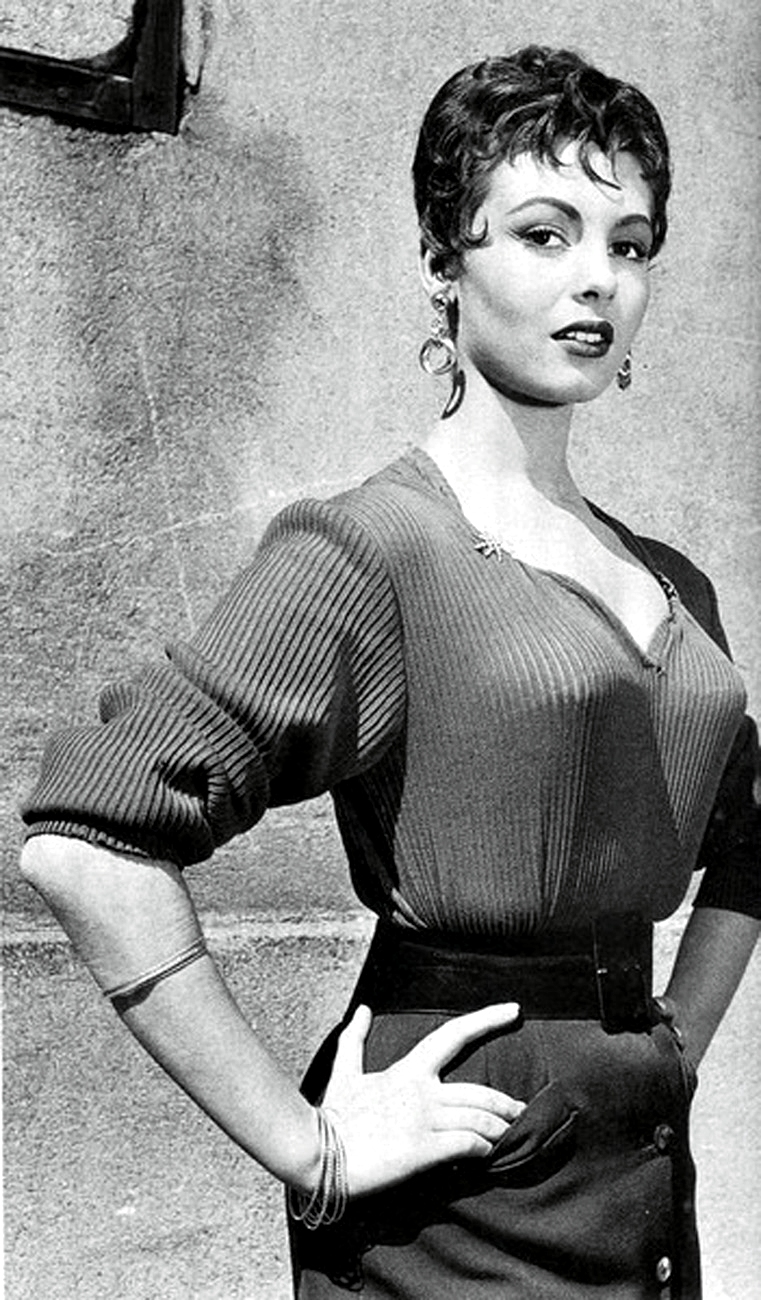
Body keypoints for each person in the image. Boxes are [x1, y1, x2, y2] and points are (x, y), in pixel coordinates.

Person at [20, 45, 760, 1299]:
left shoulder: (674, 583)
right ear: (439, 262)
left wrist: (672, 1041)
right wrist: (306, 1148)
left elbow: (744, 840)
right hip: (455, 1168)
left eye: (628, 245)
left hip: (634, 1167)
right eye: (542, 233)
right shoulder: (371, 547)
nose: (597, 277)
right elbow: (87, 843)